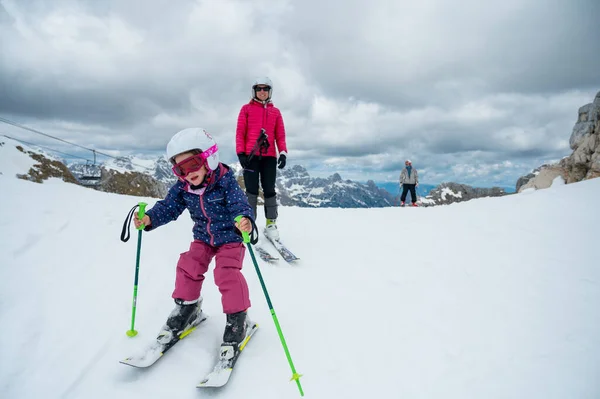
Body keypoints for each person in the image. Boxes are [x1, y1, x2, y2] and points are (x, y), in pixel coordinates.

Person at [133, 127, 255, 355]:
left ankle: (239, 318)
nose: (188, 173)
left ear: (209, 157)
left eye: (192, 164)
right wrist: (149, 218)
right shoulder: (183, 188)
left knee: (226, 273)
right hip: (204, 238)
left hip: (230, 238)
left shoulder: (226, 181)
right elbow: (168, 208)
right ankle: (188, 308)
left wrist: (244, 219)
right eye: (180, 169)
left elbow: (241, 205)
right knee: (189, 264)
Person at [236, 77, 288, 240]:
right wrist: (241, 153)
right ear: (254, 91)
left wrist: (283, 152)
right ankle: (250, 224)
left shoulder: (276, 112)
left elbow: (280, 135)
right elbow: (240, 132)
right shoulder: (246, 109)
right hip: (250, 157)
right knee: (251, 191)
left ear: (270, 91)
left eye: (265, 89)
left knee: (269, 190)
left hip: (269, 157)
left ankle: (271, 223)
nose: (262, 92)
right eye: (259, 89)